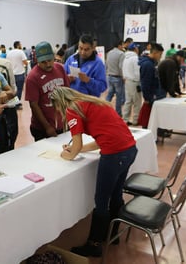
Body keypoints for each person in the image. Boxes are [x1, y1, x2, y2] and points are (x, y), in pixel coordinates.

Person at [50, 87, 137, 257]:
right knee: (116, 194)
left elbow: (75, 148)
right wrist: (78, 150)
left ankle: (94, 244)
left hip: (114, 154)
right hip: (129, 149)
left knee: (101, 201)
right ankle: (113, 234)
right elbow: (99, 140)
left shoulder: (72, 109)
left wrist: (66, 154)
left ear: (59, 103)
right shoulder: (92, 102)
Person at [25, 41, 70, 141]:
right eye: (43, 62)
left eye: (50, 60)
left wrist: (68, 118)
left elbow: (67, 93)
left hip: (62, 124)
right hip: (42, 128)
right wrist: (47, 127)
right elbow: (34, 105)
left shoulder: (60, 68)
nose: (48, 64)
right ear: (37, 60)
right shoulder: (32, 77)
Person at [138, 43, 164, 129]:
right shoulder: (147, 65)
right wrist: (147, 98)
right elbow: (145, 83)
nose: (160, 57)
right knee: (148, 121)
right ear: (155, 53)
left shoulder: (152, 63)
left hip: (153, 95)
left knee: (151, 120)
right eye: (160, 54)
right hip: (150, 97)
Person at [105, 39, 128, 116]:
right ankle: (118, 113)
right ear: (119, 45)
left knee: (109, 95)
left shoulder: (109, 53)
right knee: (119, 97)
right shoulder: (121, 54)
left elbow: (106, 64)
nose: (123, 47)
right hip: (117, 78)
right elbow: (121, 67)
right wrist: (123, 76)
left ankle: (103, 108)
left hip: (109, 76)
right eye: (122, 45)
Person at [122, 43, 142, 126]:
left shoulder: (125, 57)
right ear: (135, 49)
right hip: (134, 82)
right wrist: (139, 82)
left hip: (127, 81)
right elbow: (137, 72)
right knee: (137, 102)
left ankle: (125, 119)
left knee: (128, 101)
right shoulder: (135, 58)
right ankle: (135, 120)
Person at [7, 40, 28, 108]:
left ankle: (13, 103)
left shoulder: (9, 53)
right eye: (20, 44)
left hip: (11, 74)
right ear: (18, 45)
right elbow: (25, 62)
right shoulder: (21, 52)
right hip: (19, 73)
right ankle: (17, 104)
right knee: (19, 90)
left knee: (12, 89)